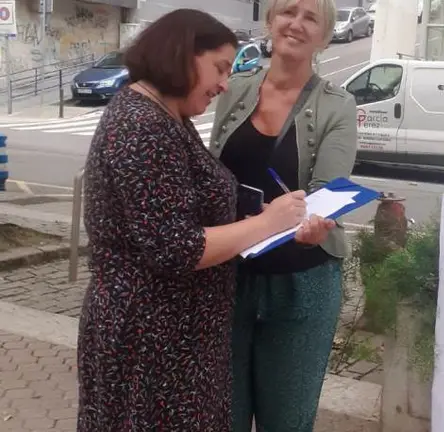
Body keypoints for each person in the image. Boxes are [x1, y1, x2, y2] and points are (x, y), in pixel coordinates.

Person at [77, 9, 331, 431]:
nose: (224, 84)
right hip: (151, 343)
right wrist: (269, 223)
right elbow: (178, 247)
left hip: (175, 341)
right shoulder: (142, 126)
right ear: (182, 55)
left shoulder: (165, 117)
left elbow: (185, 209)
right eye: (219, 68)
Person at [208, 0, 357, 429]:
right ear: (270, 21)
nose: (296, 23)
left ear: (325, 36)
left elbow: (328, 190)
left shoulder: (337, 105)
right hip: (227, 276)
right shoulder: (234, 88)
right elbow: (212, 171)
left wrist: (315, 222)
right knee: (222, 415)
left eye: (311, 17)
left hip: (302, 282)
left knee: (286, 421)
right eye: (288, 12)